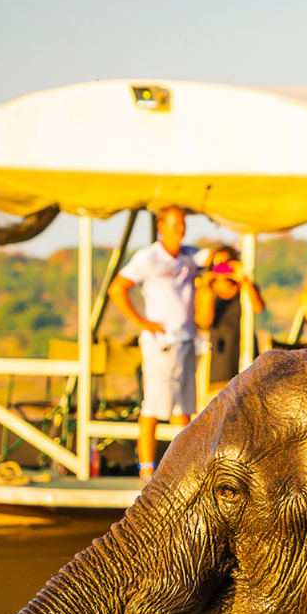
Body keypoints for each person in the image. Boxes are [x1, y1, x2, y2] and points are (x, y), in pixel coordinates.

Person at [110, 206, 198, 483]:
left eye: (182, 224)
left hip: (187, 340)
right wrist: (142, 322)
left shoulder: (190, 256)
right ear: (161, 226)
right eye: (174, 225)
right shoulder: (148, 257)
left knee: (184, 409)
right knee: (154, 408)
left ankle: (188, 468)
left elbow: (220, 262)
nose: (179, 230)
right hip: (162, 343)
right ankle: (146, 471)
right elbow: (117, 287)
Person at [195, 244, 264, 397]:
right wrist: (207, 288)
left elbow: (258, 307)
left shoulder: (244, 286)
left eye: (226, 264)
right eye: (217, 264)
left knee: (248, 394)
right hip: (219, 350)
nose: (221, 269)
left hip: (244, 345)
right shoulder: (207, 289)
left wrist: (243, 280)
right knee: (221, 397)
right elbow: (203, 321)